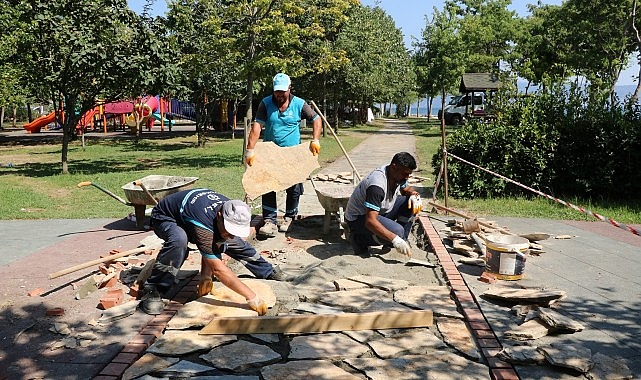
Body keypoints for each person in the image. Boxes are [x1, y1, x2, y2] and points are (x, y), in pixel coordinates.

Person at [138, 188, 292, 316]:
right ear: (219, 216)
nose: (231, 234)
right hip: (166, 218)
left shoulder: (232, 210)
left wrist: (205, 277)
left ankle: (266, 270)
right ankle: (154, 288)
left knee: (236, 244)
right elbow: (218, 268)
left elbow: (211, 247)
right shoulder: (203, 222)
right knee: (179, 241)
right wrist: (251, 297)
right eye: (229, 229)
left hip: (191, 216)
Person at [245, 73, 323, 237]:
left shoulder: (299, 104)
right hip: (271, 153)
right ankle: (269, 221)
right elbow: (257, 127)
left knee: (293, 187)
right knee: (267, 185)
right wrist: (250, 149)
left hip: (292, 154)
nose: (280, 95)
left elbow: (316, 119)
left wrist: (315, 139)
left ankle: (289, 217)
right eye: (276, 92)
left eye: (283, 91)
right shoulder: (266, 104)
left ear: (289, 88)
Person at [345, 152, 423, 256]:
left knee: (410, 202)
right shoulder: (376, 186)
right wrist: (395, 239)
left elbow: (405, 189)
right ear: (394, 167)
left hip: (380, 211)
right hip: (359, 219)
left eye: (409, 174)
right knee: (397, 232)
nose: (407, 177)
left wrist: (413, 194)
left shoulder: (396, 175)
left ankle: (400, 239)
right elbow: (370, 221)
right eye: (405, 174)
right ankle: (360, 240)